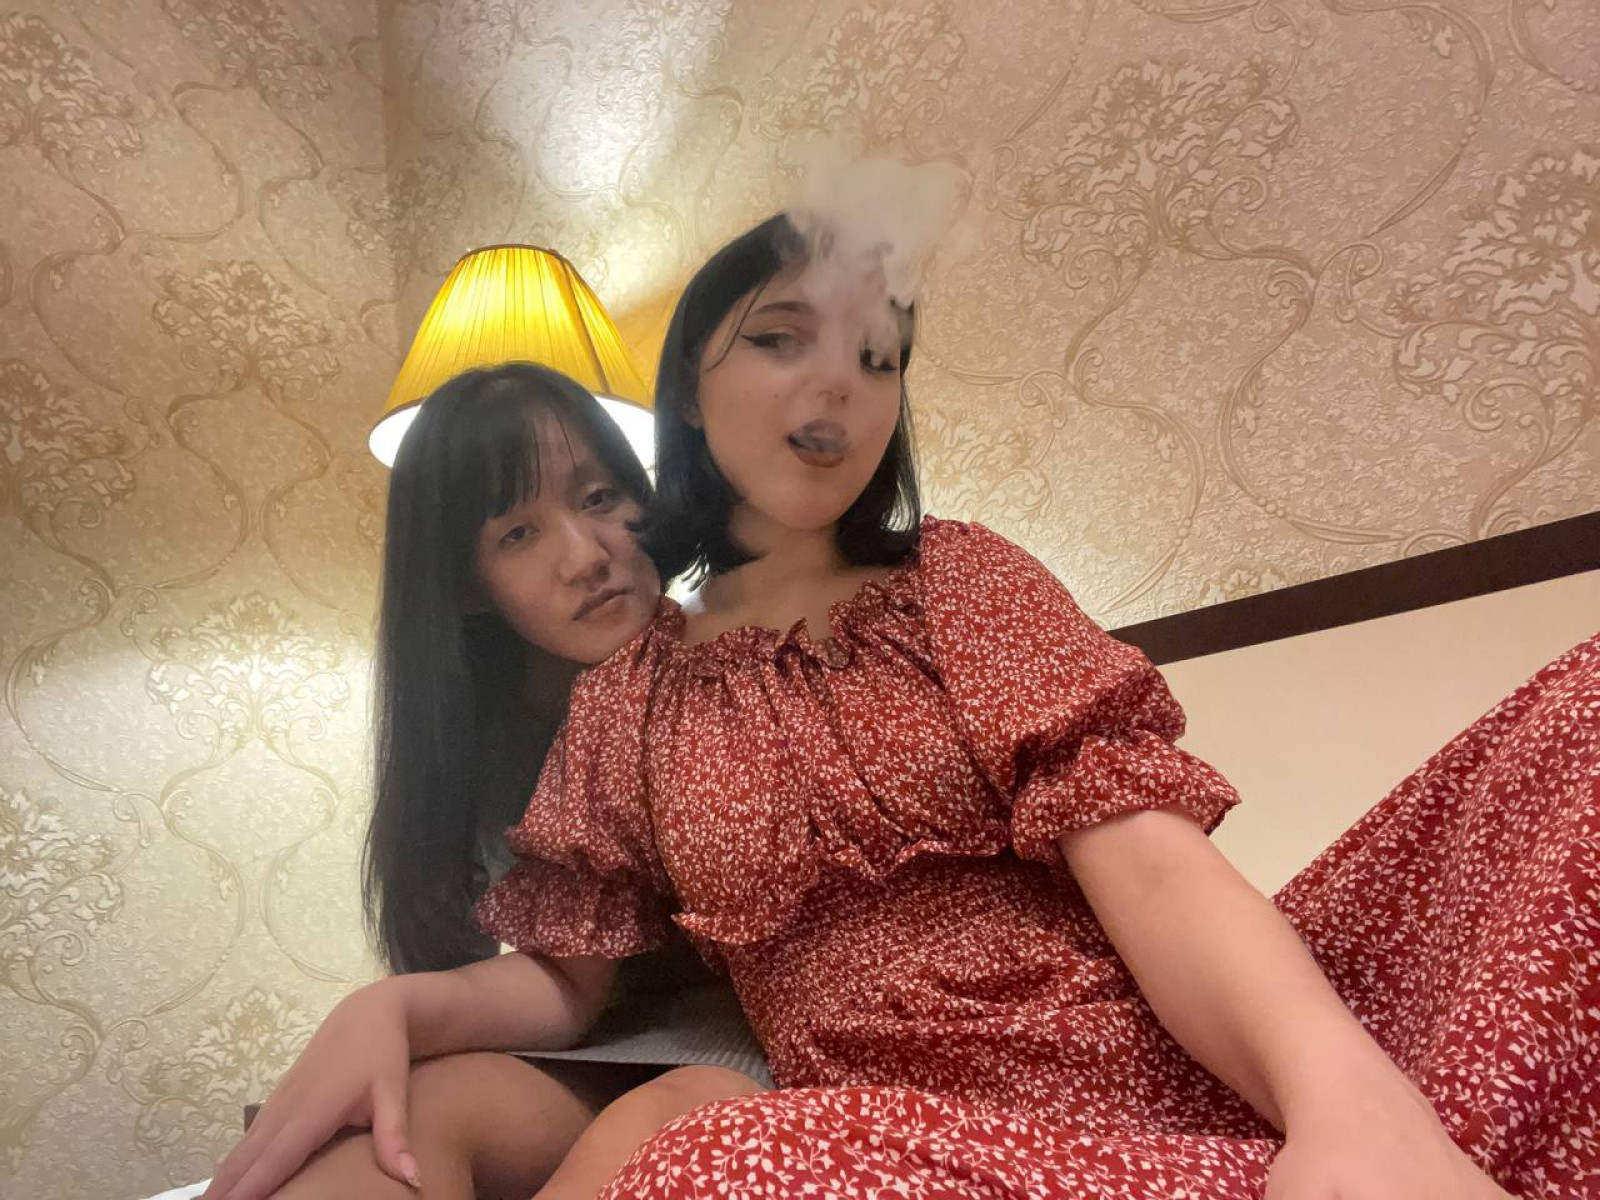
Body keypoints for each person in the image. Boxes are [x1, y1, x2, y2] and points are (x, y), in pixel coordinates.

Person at [476, 214, 1599, 1199]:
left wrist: (1343, 1102)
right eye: (781, 337)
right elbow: (564, 977)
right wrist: (393, 1016)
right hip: (909, 1150)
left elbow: (1151, 867)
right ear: (686, 386)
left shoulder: (960, 578)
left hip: (1177, 1073)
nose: (838, 384)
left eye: (876, 356)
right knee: (710, 1167)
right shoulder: (630, 696)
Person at [200, 363, 764, 1200]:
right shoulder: (481, 738)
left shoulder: (741, 663)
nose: (587, 557)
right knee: (389, 1135)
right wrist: (387, 1012)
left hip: (755, 1046)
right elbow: (566, 983)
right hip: (598, 1048)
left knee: (658, 1130)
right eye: (518, 534)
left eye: (601, 497)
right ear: (466, 582)